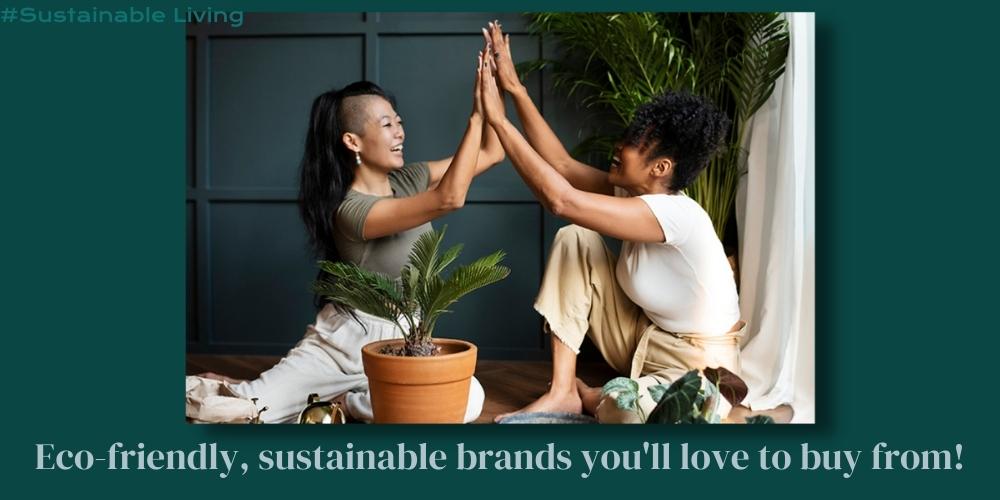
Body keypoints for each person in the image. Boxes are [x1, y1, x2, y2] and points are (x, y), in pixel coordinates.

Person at [479, 22, 789, 423]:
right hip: (642, 339)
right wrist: (514, 88)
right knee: (577, 239)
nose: (618, 147)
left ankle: (595, 396)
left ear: (661, 167)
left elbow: (560, 199)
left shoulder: (677, 214)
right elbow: (560, 166)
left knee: (625, 412)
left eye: (631, 143)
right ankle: (562, 393)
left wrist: (499, 122)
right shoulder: (634, 195)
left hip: (700, 364)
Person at [186, 47, 504, 424]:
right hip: (344, 344)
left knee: (468, 398)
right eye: (386, 124)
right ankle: (265, 390)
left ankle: (345, 401)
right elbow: (449, 197)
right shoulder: (349, 210)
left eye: (398, 121)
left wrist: (496, 90)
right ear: (352, 141)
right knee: (239, 411)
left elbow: (492, 152)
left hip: (407, 340)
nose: (400, 131)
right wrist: (475, 115)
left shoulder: (410, 178)